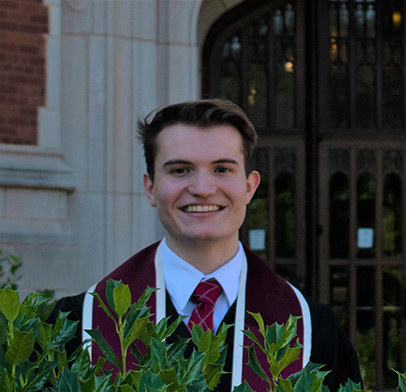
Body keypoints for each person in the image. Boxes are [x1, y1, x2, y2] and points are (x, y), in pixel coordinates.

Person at [47, 99, 362, 391]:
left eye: (222, 169)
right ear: (151, 188)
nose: (202, 188)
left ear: (249, 187)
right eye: (180, 170)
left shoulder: (311, 330)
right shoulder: (77, 325)